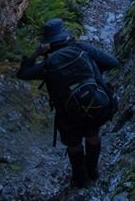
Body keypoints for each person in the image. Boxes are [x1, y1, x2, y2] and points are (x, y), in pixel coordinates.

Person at [16, 18, 119, 188]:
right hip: (93, 102)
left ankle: (81, 180)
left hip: (67, 113)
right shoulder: (81, 49)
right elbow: (113, 62)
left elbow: (22, 73)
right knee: (93, 134)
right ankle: (93, 171)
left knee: (74, 144)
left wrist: (36, 54)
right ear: (65, 35)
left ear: (47, 43)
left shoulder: (47, 64)